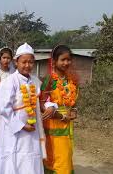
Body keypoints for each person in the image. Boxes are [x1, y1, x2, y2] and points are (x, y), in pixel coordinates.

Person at [0, 43, 57, 174]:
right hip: (14, 129)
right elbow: (4, 109)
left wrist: (50, 106)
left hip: (32, 129)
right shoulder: (9, 82)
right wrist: (21, 125)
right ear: (16, 62)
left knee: (29, 159)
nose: (27, 65)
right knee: (14, 159)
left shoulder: (35, 81)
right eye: (24, 62)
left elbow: (43, 99)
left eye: (31, 62)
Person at [40, 45, 78, 174]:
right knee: (56, 161)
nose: (66, 63)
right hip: (53, 125)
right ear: (54, 61)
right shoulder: (49, 80)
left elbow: (73, 102)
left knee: (66, 157)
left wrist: (73, 112)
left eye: (68, 60)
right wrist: (58, 115)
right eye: (63, 60)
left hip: (67, 126)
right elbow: (41, 103)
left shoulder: (71, 80)